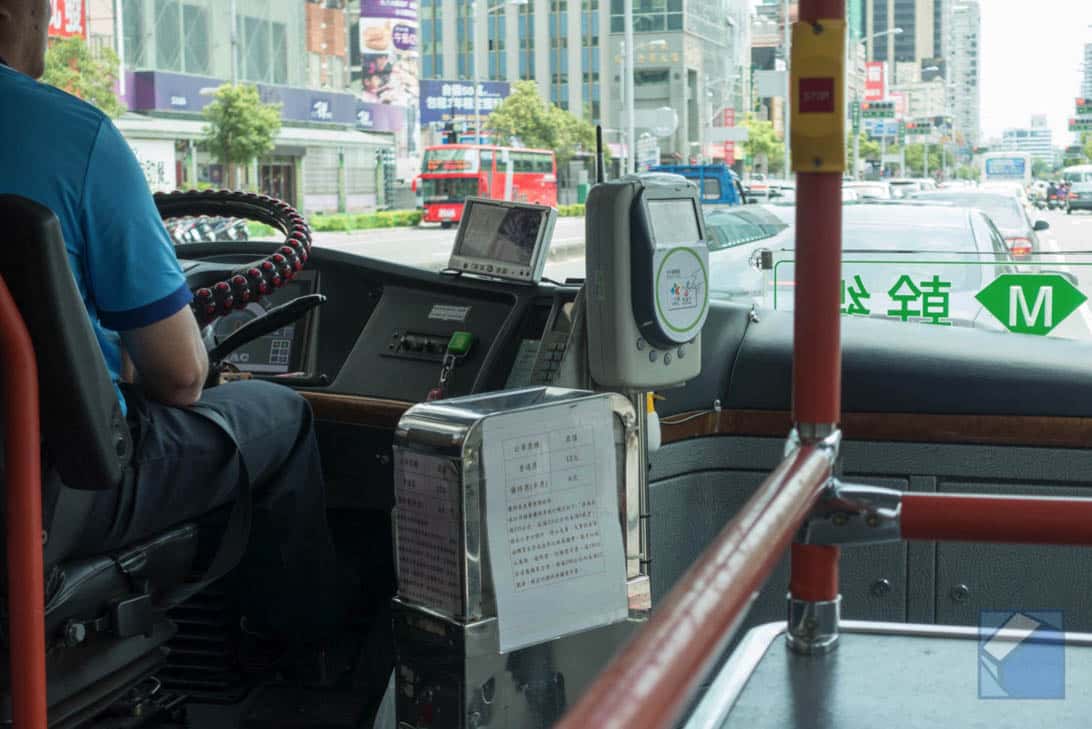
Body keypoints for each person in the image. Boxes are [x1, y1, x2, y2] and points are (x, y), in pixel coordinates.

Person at [0, 0, 346, 677]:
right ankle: (310, 671)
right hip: (48, 489)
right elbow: (181, 377)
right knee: (283, 416)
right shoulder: (73, 136)